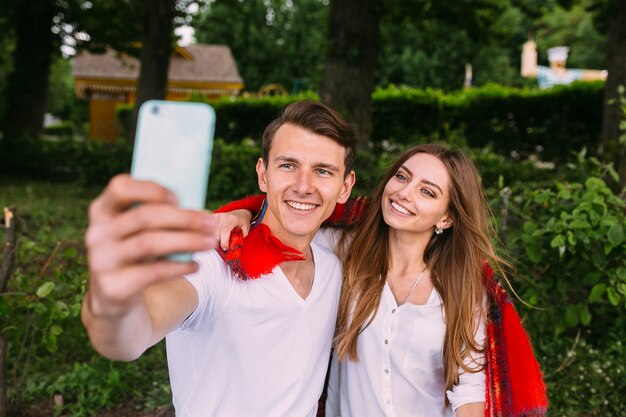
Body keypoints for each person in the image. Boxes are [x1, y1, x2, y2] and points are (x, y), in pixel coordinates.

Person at [221, 144, 548, 417]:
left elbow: (469, 389)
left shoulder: (462, 288)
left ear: (446, 217)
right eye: (402, 177)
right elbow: (282, 222)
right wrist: (243, 215)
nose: (404, 193)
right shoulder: (342, 251)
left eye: (427, 192)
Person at [81, 100, 357, 416]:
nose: (303, 186)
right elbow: (129, 337)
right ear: (263, 175)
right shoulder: (213, 260)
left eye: (322, 171)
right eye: (288, 165)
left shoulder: (335, 263)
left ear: (345, 186)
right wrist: (111, 301)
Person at [521, 38, 607, 89]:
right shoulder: (545, 73)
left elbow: (596, 75)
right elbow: (527, 71)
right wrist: (529, 50)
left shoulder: (572, 74)